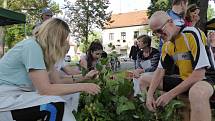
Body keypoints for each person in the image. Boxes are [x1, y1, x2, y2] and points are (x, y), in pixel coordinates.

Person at [0, 18, 100, 121]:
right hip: (5, 98)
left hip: (17, 96)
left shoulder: (43, 51)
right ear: (55, 38)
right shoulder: (32, 47)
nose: (64, 43)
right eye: (63, 39)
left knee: (59, 103)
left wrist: (85, 77)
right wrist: (84, 86)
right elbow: (45, 89)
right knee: (54, 106)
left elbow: (58, 81)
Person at [143, 11, 215, 121]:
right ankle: (156, 115)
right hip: (184, 79)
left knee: (197, 93)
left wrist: (169, 95)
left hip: (206, 78)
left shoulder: (190, 33)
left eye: (159, 30)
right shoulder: (167, 45)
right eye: (154, 33)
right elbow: (159, 71)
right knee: (144, 79)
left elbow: (199, 75)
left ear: (170, 22)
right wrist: (149, 95)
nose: (158, 35)